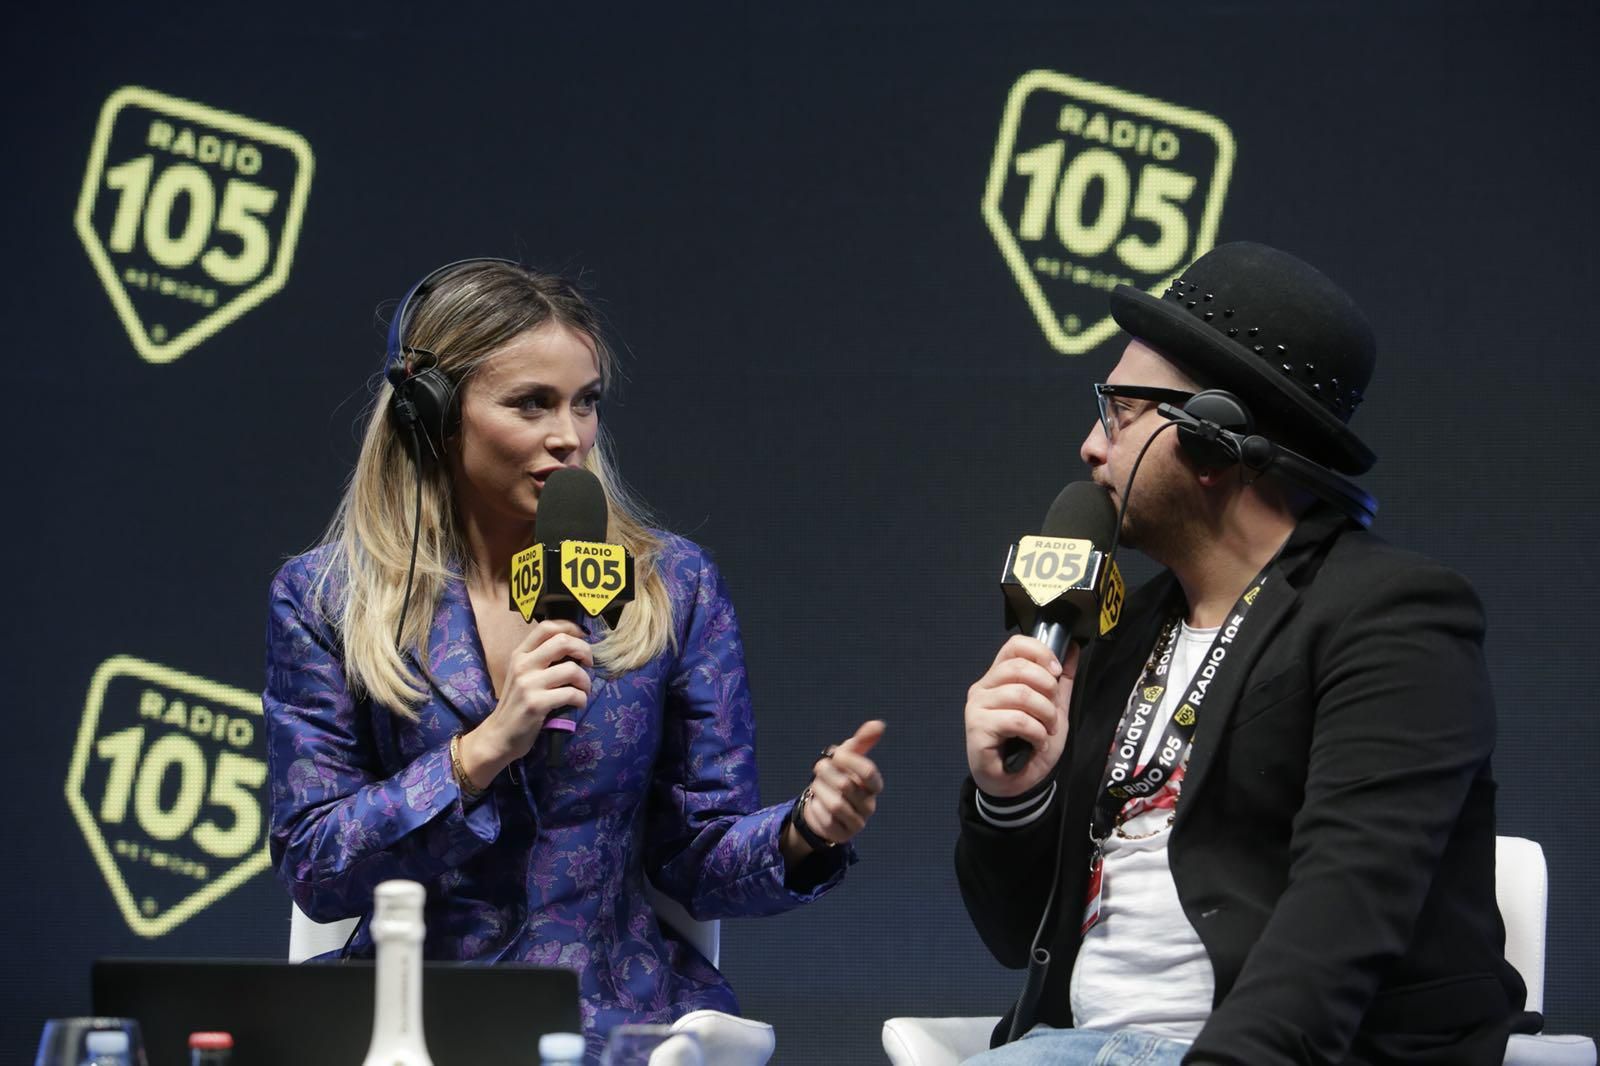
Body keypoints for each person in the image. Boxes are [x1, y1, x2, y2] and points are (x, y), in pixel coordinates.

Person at [264, 259, 885, 1055]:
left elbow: (697, 857)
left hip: (616, 1020)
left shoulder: (672, 586)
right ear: (434, 415)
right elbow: (317, 869)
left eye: (584, 402)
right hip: (411, 1022)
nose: (570, 435)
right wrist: (481, 752)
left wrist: (804, 832)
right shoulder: (325, 600)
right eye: (531, 403)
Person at [956, 242, 1525, 1065]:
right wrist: (1011, 798)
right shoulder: (1115, 633)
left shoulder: (1394, 619)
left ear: (1214, 438)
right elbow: (1016, 938)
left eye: (1120, 412)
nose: (1090, 446)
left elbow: (1339, 924)